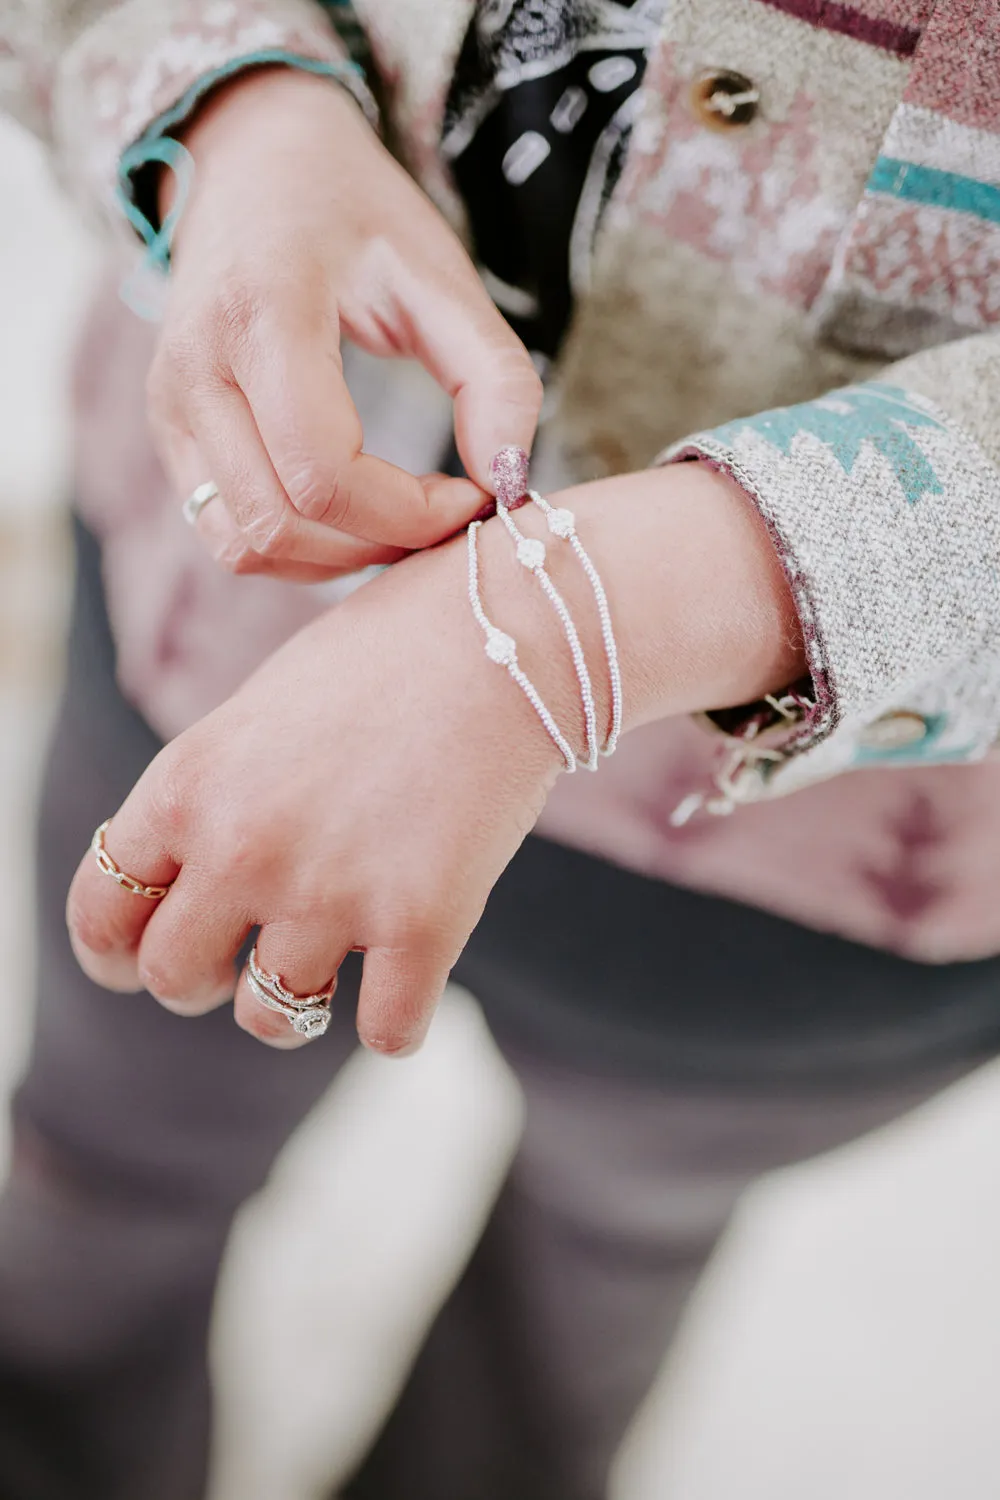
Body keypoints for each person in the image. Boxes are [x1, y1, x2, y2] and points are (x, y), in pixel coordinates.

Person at [2, 2, 1000, 1497]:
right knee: (104, 1181)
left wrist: (589, 627)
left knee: (574, 1298)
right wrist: (240, 106)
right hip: (223, 655)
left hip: (819, 888)